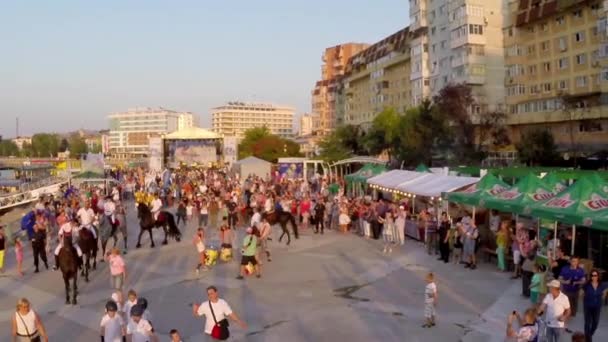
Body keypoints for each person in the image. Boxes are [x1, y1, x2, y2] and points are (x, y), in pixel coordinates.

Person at [581, 270, 608, 342]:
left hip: (597, 306)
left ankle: (589, 335)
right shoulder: (587, 285)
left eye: (595, 275)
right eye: (592, 275)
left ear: (598, 276)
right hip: (587, 306)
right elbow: (582, 293)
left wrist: (604, 294)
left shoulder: (602, 285)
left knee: (595, 322)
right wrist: (583, 296)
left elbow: (605, 290)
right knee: (587, 323)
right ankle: (588, 339)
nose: (593, 277)